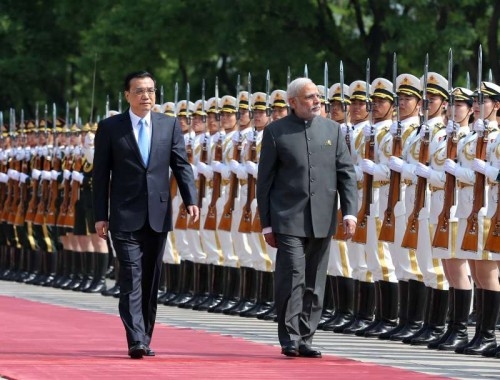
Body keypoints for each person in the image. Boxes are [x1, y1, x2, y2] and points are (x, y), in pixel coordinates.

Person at [92, 70, 199, 359]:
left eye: (150, 90)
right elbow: (100, 175)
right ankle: (135, 338)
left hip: (157, 212)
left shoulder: (168, 125)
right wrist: (100, 215)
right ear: (127, 95)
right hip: (124, 214)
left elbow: (181, 165)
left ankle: (145, 335)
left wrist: (191, 198)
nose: (146, 96)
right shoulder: (111, 127)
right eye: (139, 91)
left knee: (151, 278)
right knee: (130, 275)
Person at [256, 77, 357, 358]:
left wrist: (349, 212)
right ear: (293, 102)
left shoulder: (333, 130)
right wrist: (266, 223)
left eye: (317, 96)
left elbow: (346, 174)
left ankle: (306, 336)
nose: (317, 101)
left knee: (315, 281)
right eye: (309, 97)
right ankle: (289, 336)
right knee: (292, 277)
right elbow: (264, 181)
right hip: (288, 218)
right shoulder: (276, 132)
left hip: (323, 217)